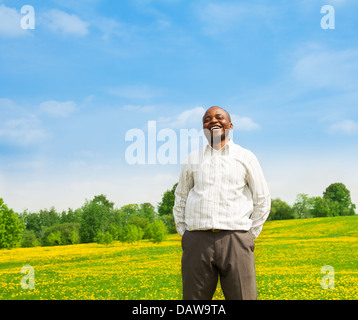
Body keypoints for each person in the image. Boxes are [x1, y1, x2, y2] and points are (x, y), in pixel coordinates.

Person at [173, 106, 271, 300]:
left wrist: (249, 236)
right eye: (207, 119)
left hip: (236, 239)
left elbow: (262, 198)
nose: (213, 121)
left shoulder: (246, 157)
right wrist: (185, 234)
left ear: (230, 125)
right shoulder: (193, 159)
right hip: (197, 240)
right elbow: (181, 197)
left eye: (219, 117)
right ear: (203, 128)